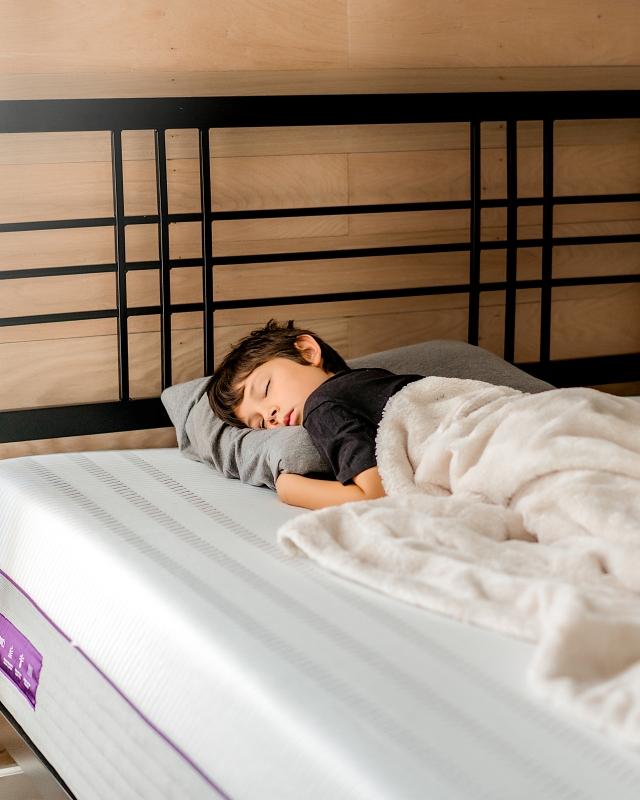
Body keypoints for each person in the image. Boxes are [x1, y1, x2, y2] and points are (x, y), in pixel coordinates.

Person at [208, 320, 424, 509]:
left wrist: (288, 488)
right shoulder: (370, 382)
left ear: (307, 351)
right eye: (261, 423)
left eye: (265, 388)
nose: (270, 414)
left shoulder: (321, 405)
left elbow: (376, 496)